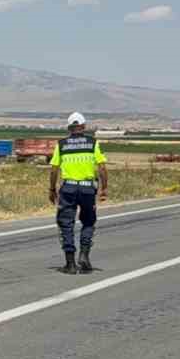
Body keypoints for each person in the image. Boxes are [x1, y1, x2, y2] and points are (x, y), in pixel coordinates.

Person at [48, 112, 109, 274]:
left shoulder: (61, 144)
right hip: (88, 188)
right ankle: (84, 255)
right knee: (88, 221)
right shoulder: (92, 143)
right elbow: (102, 167)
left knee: (66, 223)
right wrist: (104, 188)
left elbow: (54, 169)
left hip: (68, 188)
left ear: (69, 127)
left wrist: (52, 189)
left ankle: (70, 263)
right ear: (83, 127)